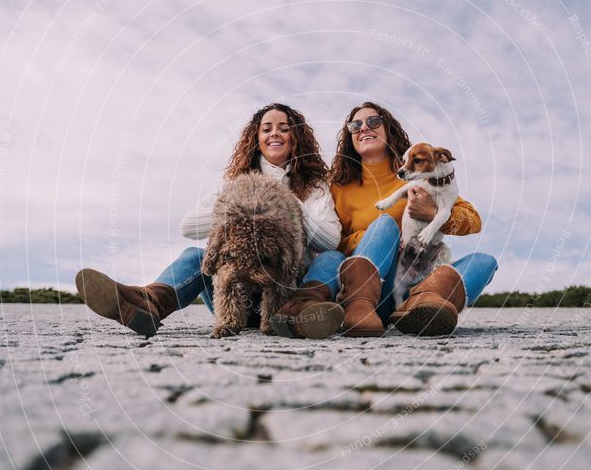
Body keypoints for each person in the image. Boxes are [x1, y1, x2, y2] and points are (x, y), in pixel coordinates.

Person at [75, 103, 343, 338]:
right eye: (266, 128)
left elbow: (331, 241)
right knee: (195, 254)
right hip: (235, 297)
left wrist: (284, 200)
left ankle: (302, 318)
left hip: (285, 298)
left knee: (332, 259)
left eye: (284, 128)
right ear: (256, 138)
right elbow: (188, 227)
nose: (274, 132)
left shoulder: (316, 187)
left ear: (296, 137)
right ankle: (148, 303)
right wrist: (242, 203)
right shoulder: (235, 184)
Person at [272, 101, 498, 338]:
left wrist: (431, 215)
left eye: (373, 121)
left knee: (484, 262)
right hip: (363, 286)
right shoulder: (338, 185)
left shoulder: (419, 175)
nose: (364, 128)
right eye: (355, 125)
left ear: (387, 128)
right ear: (350, 137)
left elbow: (473, 220)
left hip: (407, 284)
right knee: (374, 231)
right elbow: (332, 241)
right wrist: (379, 239)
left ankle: (423, 305)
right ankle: (306, 311)